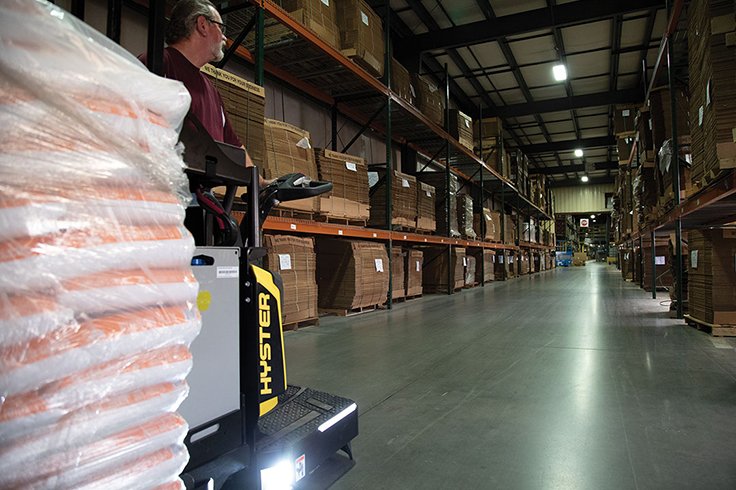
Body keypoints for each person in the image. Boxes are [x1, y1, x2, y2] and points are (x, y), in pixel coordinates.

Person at [139, 0, 268, 186]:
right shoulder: (157, 64)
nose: (224, 37)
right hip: (163, 191)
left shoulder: (211, 90)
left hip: (201, 196)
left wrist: (260, 183)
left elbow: (233, 145)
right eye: (220, 27)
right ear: (202, 25)